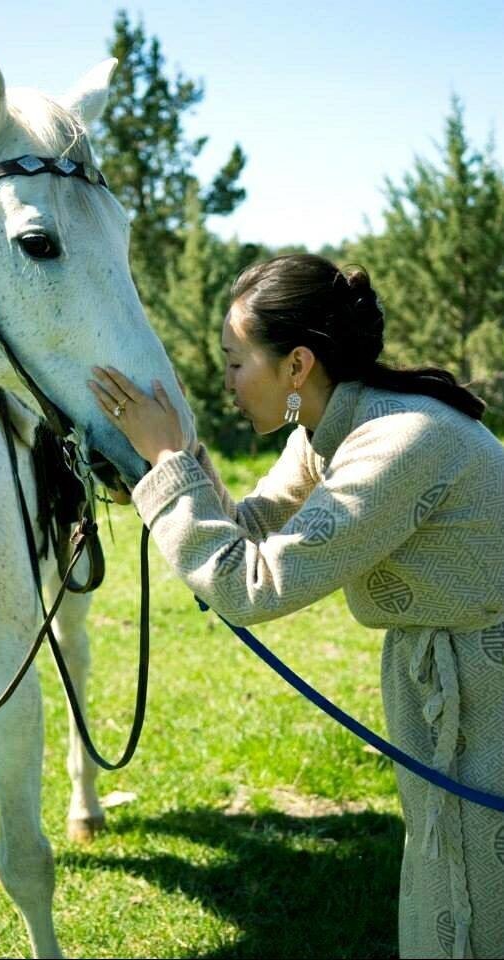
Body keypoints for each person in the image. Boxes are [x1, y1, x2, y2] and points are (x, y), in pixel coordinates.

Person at [87, 252, 504, 960]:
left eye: (233, 361)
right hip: (448, 679)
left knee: (480, 896)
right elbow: (249, 524)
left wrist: (168, 472)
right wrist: (165, 465)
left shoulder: (398, 441)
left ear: (297, 367)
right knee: (453, 880)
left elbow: (249, 584)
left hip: (486, 690)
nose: (225, 384)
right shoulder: (331, 431)